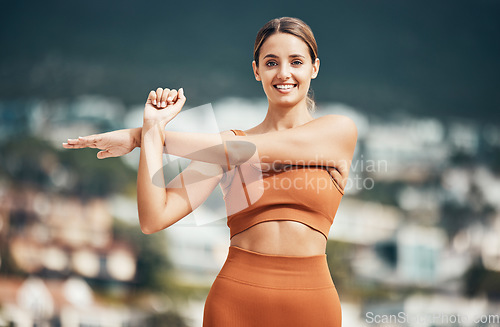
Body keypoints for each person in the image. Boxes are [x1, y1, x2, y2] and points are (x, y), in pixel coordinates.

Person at [64, 16, 357, 327]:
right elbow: (154, 218)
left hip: (312, 305)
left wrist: (138, 137)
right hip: (235, 302)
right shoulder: (223, 146)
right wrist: (151, 129)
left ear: (314, 67)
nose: (284, 73)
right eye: (271, 62)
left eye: (296, 61)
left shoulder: (337, 131)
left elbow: (247, 151)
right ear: (256, 70)